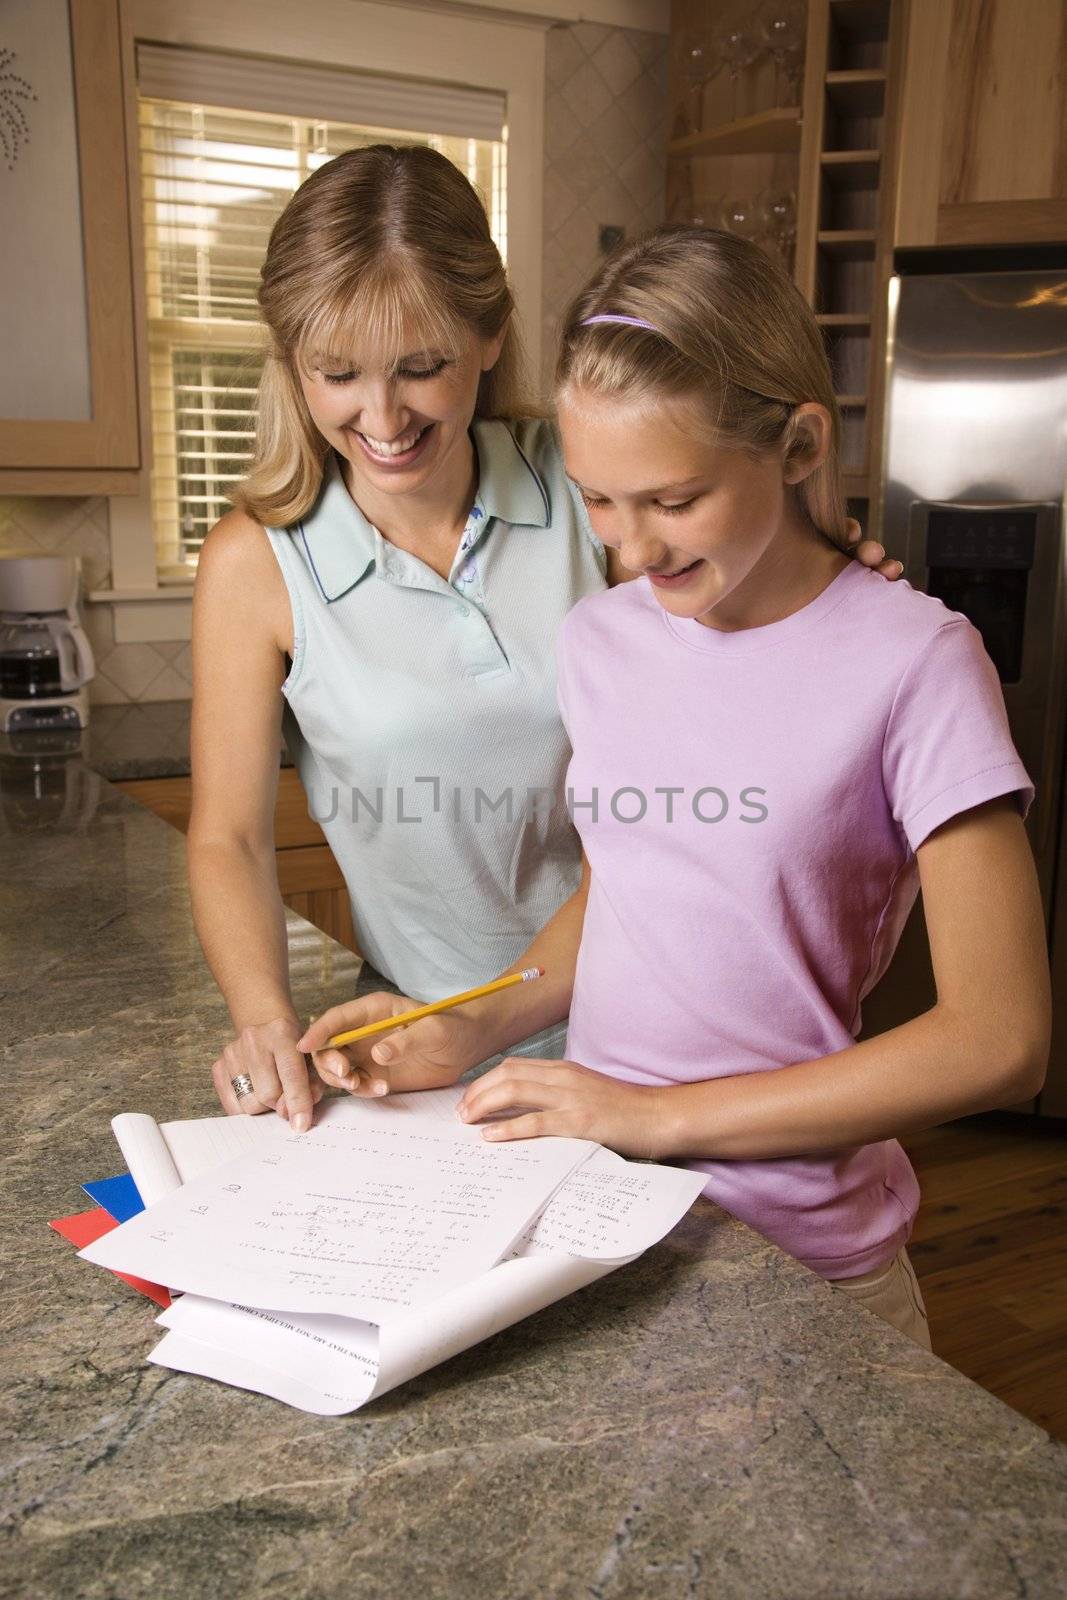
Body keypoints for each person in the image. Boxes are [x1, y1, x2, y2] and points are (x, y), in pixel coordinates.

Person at [302, 226, 1051, 1349]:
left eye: (672, 498)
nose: (631, 548)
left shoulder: (917, 661)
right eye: (598, 502)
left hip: (799, 1258)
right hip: (599, 1221)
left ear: (798, 443)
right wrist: (466, 1024)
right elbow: (634, 892)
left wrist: (655, 1117)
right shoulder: (601, 640)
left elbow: (1000, 1039)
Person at [193, 147, 899, 1136]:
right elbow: (226, 835)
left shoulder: (592, 490)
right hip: (422, 1043)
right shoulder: (255, 564)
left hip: (647, 1041)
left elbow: (727, 684)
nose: (383, 417)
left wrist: (834, 580)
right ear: (291, 365)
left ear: (489, 335)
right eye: (337, 374)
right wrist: (263, 1016)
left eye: (421, 367)